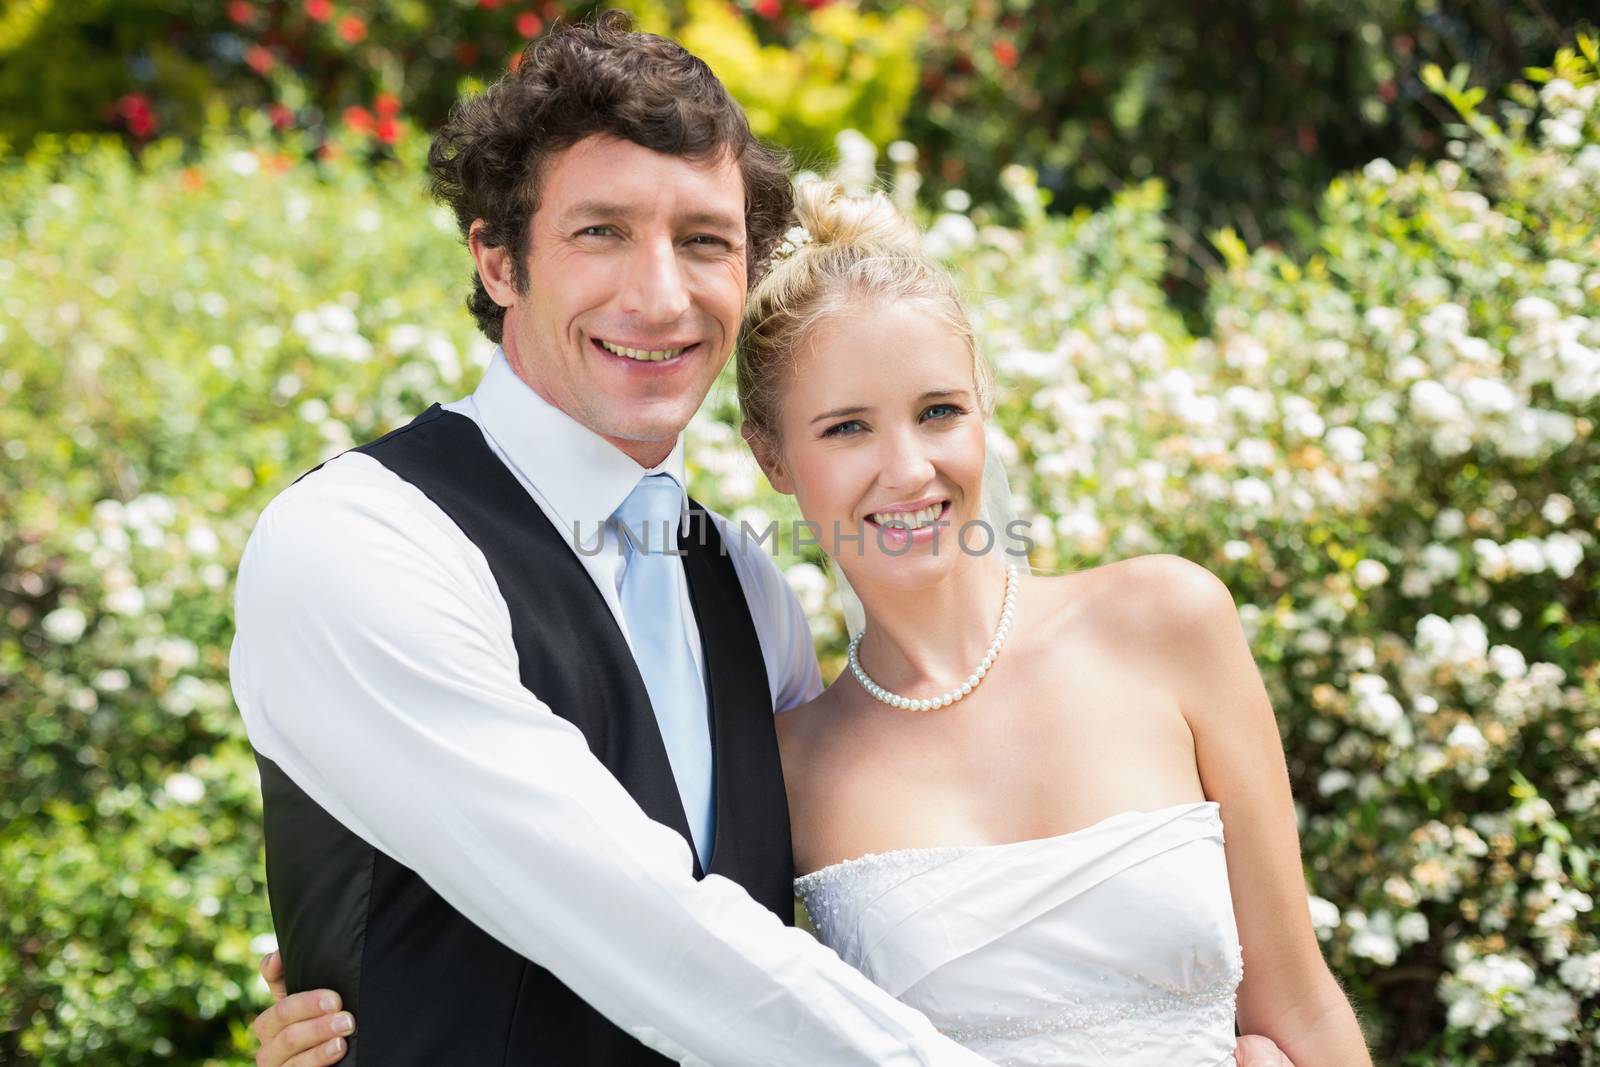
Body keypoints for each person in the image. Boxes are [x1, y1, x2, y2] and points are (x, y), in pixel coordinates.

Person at [239, 15, 1312, 1067]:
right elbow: (642, 927)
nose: (660, 295)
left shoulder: (745, 592)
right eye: (599, 231)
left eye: (703, 242)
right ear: (498, 260)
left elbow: (858, 905)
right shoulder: (361, 539)